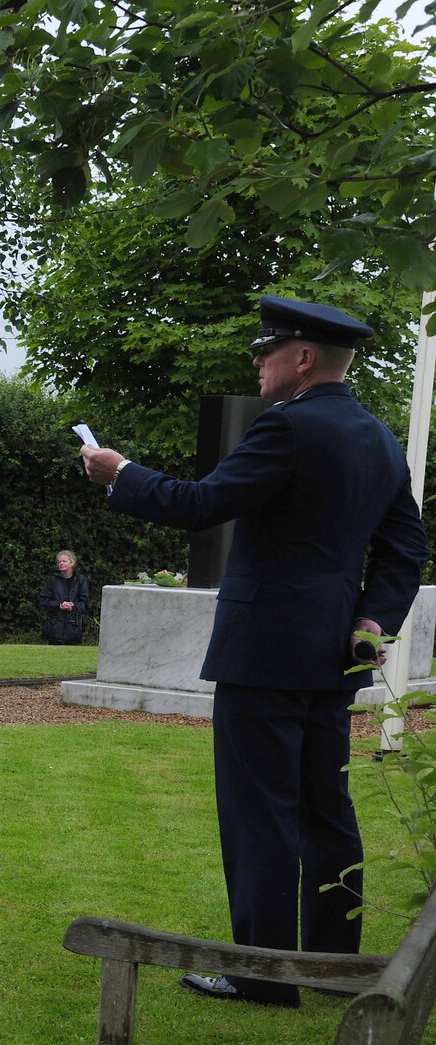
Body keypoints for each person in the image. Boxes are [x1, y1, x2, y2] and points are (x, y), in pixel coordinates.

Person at [80, 294, 427, 1007]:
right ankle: (334, 968)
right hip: (335, 655)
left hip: (265, 650)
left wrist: (118, 472)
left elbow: (199, 504)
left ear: (302, 358)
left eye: (265, 352)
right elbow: (405, 550)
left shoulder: (289, 429)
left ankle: (262, 976)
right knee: (325, 812)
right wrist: (372, 623)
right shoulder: (379, 439)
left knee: (260, 814)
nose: (258, 364)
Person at [38, 550, 89, 646]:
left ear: (72, 562)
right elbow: (43, 601)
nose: (61, 563)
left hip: (74, 629)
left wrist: (73, 607)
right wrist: (59, 605)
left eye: (64, 561)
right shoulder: (52, 580)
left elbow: (84, 603)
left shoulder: (80, 580)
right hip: (54, 629)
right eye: (59, 561)